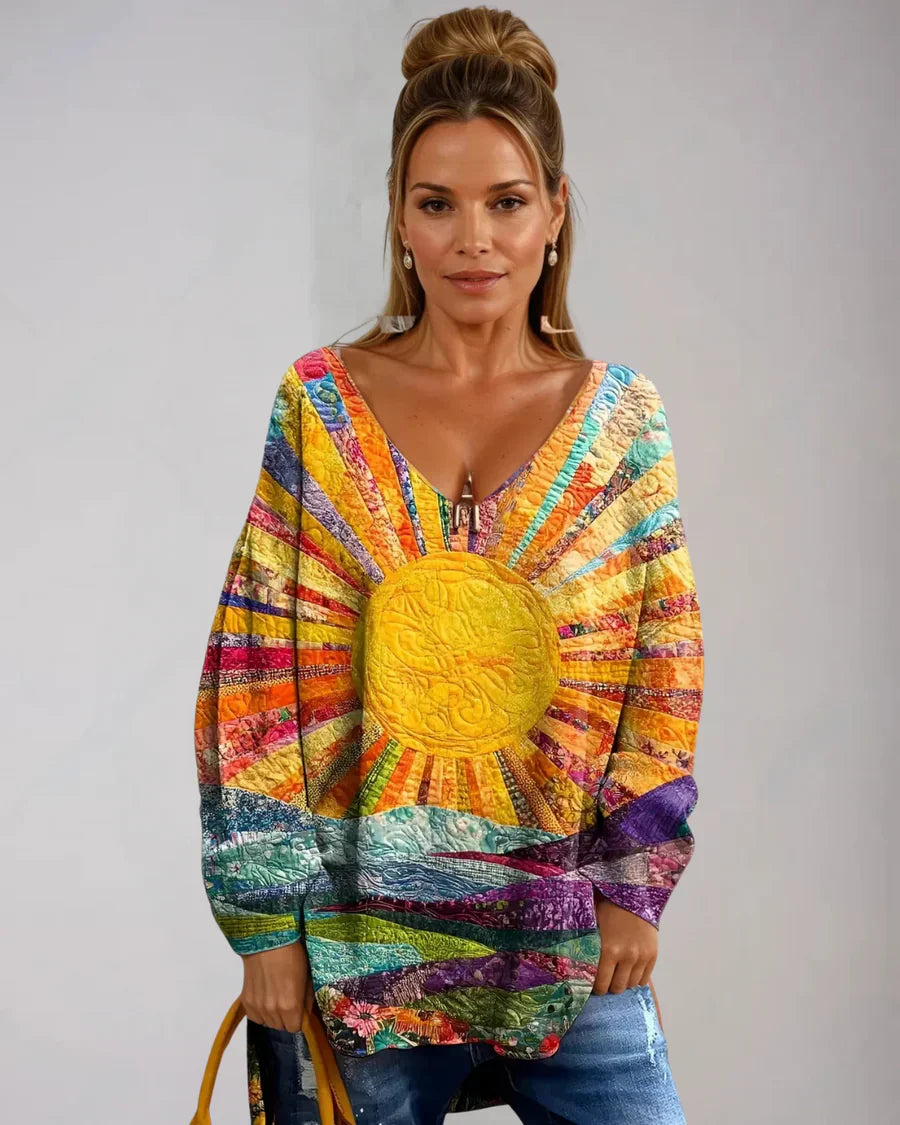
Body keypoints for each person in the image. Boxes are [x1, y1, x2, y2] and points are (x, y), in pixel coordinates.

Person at [193, 7, 704, 1123]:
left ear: (554, 213)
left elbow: (663, 668)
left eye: (506, 202)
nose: (475, 239)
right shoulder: (323, 408)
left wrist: (634, 883)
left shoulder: (621, 425)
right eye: (439, 204)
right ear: (400, 218)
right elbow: (255, 677)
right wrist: (265, 922)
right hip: (355, 943)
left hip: (566, 929)